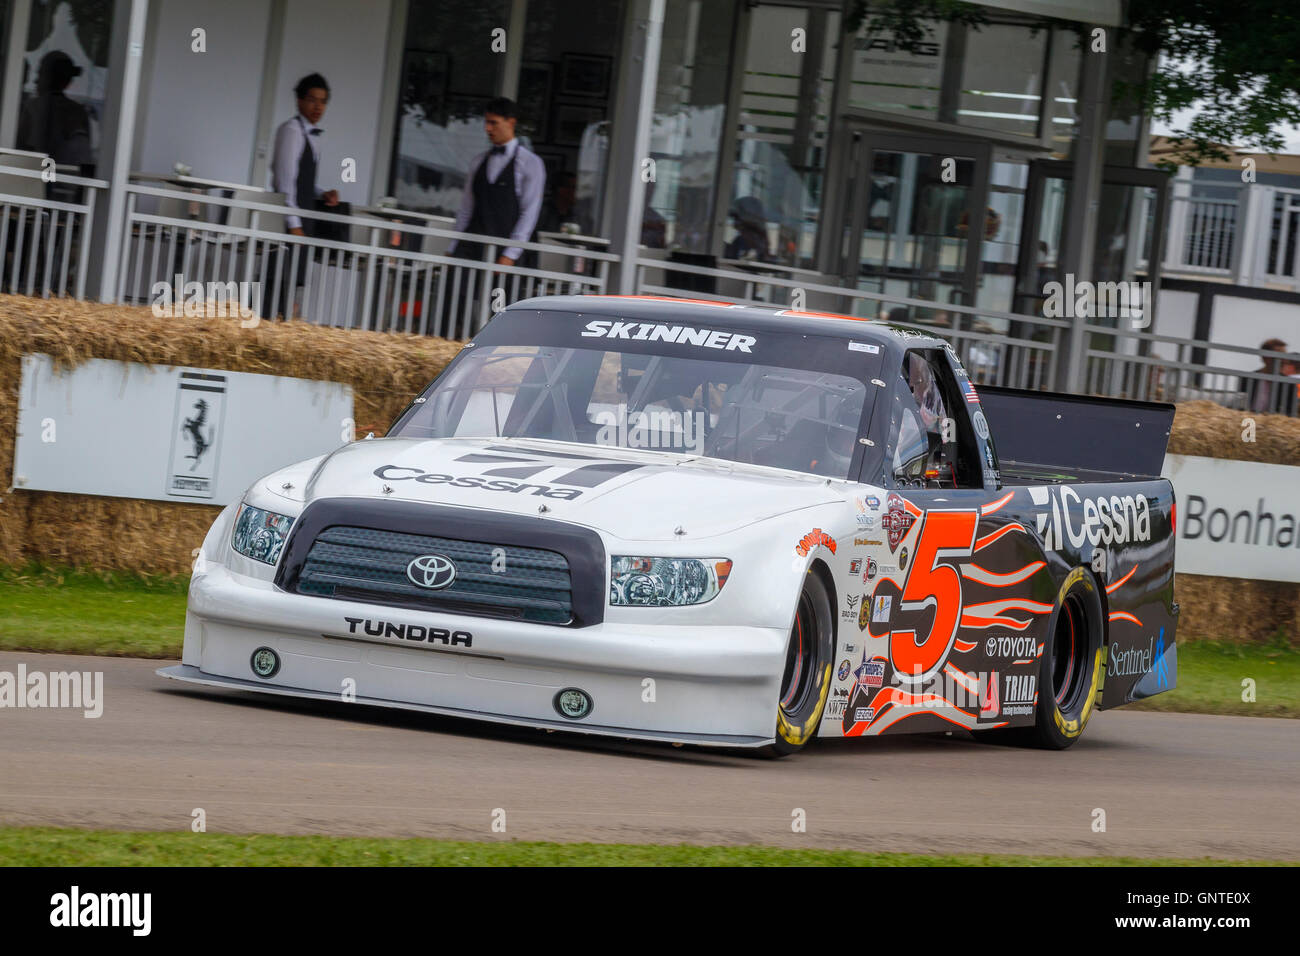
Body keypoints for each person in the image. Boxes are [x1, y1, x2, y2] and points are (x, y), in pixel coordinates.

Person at [264, 73, 341, 317]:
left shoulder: (312, 134)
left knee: (294, 279)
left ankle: (285, 320)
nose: (318, 106)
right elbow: (284, 180)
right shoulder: (291, 131)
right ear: (299, 101)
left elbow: (301, 180)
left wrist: (322, 192)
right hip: (290, 220)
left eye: (323, 101)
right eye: (312, 100)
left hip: (302, 216)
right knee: (280, 278)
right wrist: (294, 224)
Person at [449, 97, 545, 270]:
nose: (488, 129)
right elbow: (466, 208)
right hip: (473, 244)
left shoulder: (530, 162)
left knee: (500, 297)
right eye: (486, 123)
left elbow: (529, 211)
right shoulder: (478, 161)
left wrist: (511, 254)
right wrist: (453, 246)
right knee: (457, 294)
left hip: (505, 245)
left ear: (511, 122)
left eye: (494, 123)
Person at [16, 50, 93, 185]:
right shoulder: (79, 112)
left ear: (48, 77)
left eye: (39, 74)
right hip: (64, 186)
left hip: (33, 184)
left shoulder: (33, 107)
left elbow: (20, 150)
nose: (35, 81)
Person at [1243, 339, 1297, 415]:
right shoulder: (1247, 379)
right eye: (1279, 356)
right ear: (1265, 358)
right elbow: (1239, 405)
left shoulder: (1289, 385)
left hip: (1272, 425)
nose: (1284, 360)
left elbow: (1290, 413)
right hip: (1248, 422)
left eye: (1285, 356)